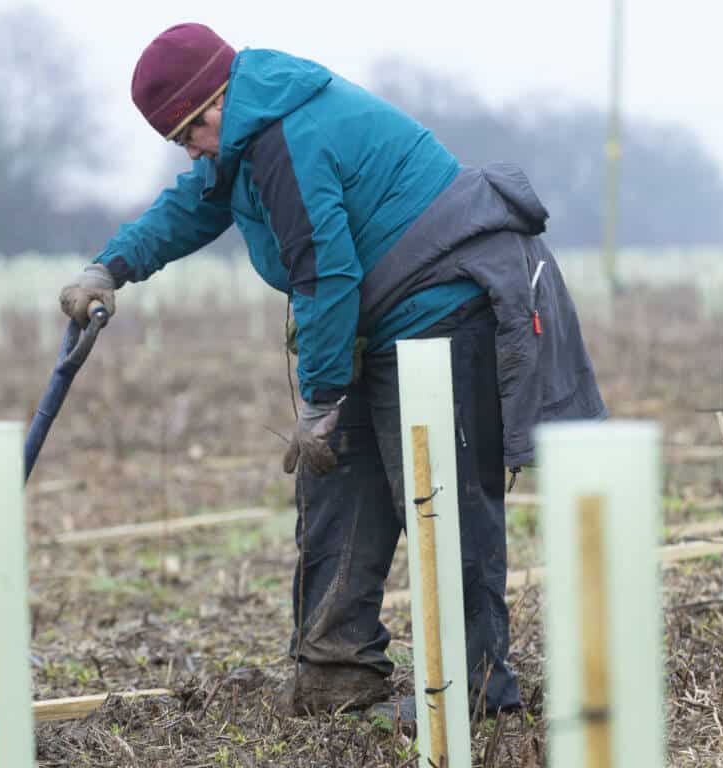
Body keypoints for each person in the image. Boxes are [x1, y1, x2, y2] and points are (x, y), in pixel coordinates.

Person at [60, 22, 607, 718]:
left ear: (216, 100)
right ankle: (337, 674)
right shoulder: (243, 138)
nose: (193, 151)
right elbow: (193, 205)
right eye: (180, 144)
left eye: (190, 132)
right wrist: (111, 265)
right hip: (378, 320)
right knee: (338, 478)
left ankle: (477, 694)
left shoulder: (287, 137)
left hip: (445, 307)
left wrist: (319, 399)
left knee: (442, 503)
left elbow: (324, 272)